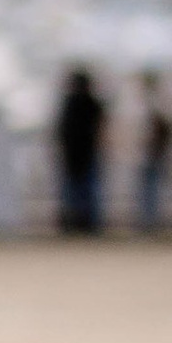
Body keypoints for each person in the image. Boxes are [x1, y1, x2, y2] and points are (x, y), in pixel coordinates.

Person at [53, 64, 106, 236]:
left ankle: (75, 224)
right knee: (84, 192)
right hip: (85, 154)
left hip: (75, 154)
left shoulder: (72, 104)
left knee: (76, 192)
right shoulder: (91, 103)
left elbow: (62, 130)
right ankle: (85, 224)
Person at [139, 74, 170, 237]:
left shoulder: (155, 105)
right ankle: (149, 221)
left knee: (151, 189)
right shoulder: (155, 104)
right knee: (151, 189)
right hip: (153, 154)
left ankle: (150, 221)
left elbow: (162, 129)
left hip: (153, 155)